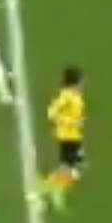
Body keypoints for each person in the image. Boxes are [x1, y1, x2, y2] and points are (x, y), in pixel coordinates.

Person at [33, 66, 86, 214]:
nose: (83, 84)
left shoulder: (74, 96)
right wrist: (71, 122)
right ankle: (40, 191)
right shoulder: (67, 96)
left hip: (73, 137)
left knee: (72, 170)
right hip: (68, 138)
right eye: (81, 81)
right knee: (72, 171)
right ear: (75, 82)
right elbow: (52, 112)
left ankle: (49, 189)